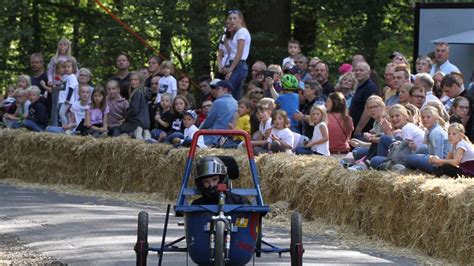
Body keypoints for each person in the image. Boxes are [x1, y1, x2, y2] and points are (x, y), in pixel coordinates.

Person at [369, 104, 425, 169]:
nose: (394, 118)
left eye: (397, 116)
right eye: (392, 117)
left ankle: (383, 166)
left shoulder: (406, 128)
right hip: (411, 156)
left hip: (409, 160)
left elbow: (402, 151)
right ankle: (382, 164)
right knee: (384, 139)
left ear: (405, 116)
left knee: (374, 159)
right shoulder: (407, 127)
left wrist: (388, 132)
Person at [405, 106, 450, 174]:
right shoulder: (433, 130)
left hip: (442, 165)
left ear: (436, 119)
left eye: (428, 117)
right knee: (423, 148)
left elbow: (438, 155)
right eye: (423, 117)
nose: (425, 119)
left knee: (409, 158)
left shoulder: (435, 133)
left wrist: (436, 168)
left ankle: (407, 170)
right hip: (440, 160)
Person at [200, 80, 237, 146]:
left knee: (192, 140)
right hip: (227, 137)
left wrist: (198, 130)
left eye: (218, 89)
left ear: (225, 90)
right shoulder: (236, 102)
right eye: (214, 89)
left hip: (215, 137)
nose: (215, 91)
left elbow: (208, 123)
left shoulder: (218, 102)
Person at [224, 10, 251, 100]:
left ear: (240, 19)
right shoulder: (237, 33)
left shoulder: (242, 32)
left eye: (235, 18)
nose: (232, 21)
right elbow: (232, 52)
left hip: (238, 65)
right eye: (230, 18)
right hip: (236, 64)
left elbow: (239, 53)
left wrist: (230, 70)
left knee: (228, 91)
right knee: (236, 95)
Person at [119, 72, 151, 140]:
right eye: (131, 80)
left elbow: (134, 110)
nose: (133, 82)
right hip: (146, 122)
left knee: (120, 128)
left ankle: (136, 132)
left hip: (137, 122)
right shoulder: (144, 92)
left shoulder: (137, 92)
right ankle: (144, 132)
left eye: (136, 80)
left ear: (140, 81)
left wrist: (125, 118)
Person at [350, 62, 379, 137]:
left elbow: (368, 110)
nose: (358, 72)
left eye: (361, 70)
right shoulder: (360, 86)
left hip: (365, 132)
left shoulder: (370, 87)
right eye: (356, 70)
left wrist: (358, 129)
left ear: (368, 72)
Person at [58, 59, 79, 127]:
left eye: (68, 67)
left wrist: (68, 99)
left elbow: (71, 88)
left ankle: (65, 127)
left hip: (68, 100)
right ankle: (68, 127)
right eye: (65, 67)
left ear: (73, 68)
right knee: (66, 114)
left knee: (61, 112)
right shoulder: (65, 77)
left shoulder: (72, 77)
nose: (66, 69)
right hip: (64, 99)